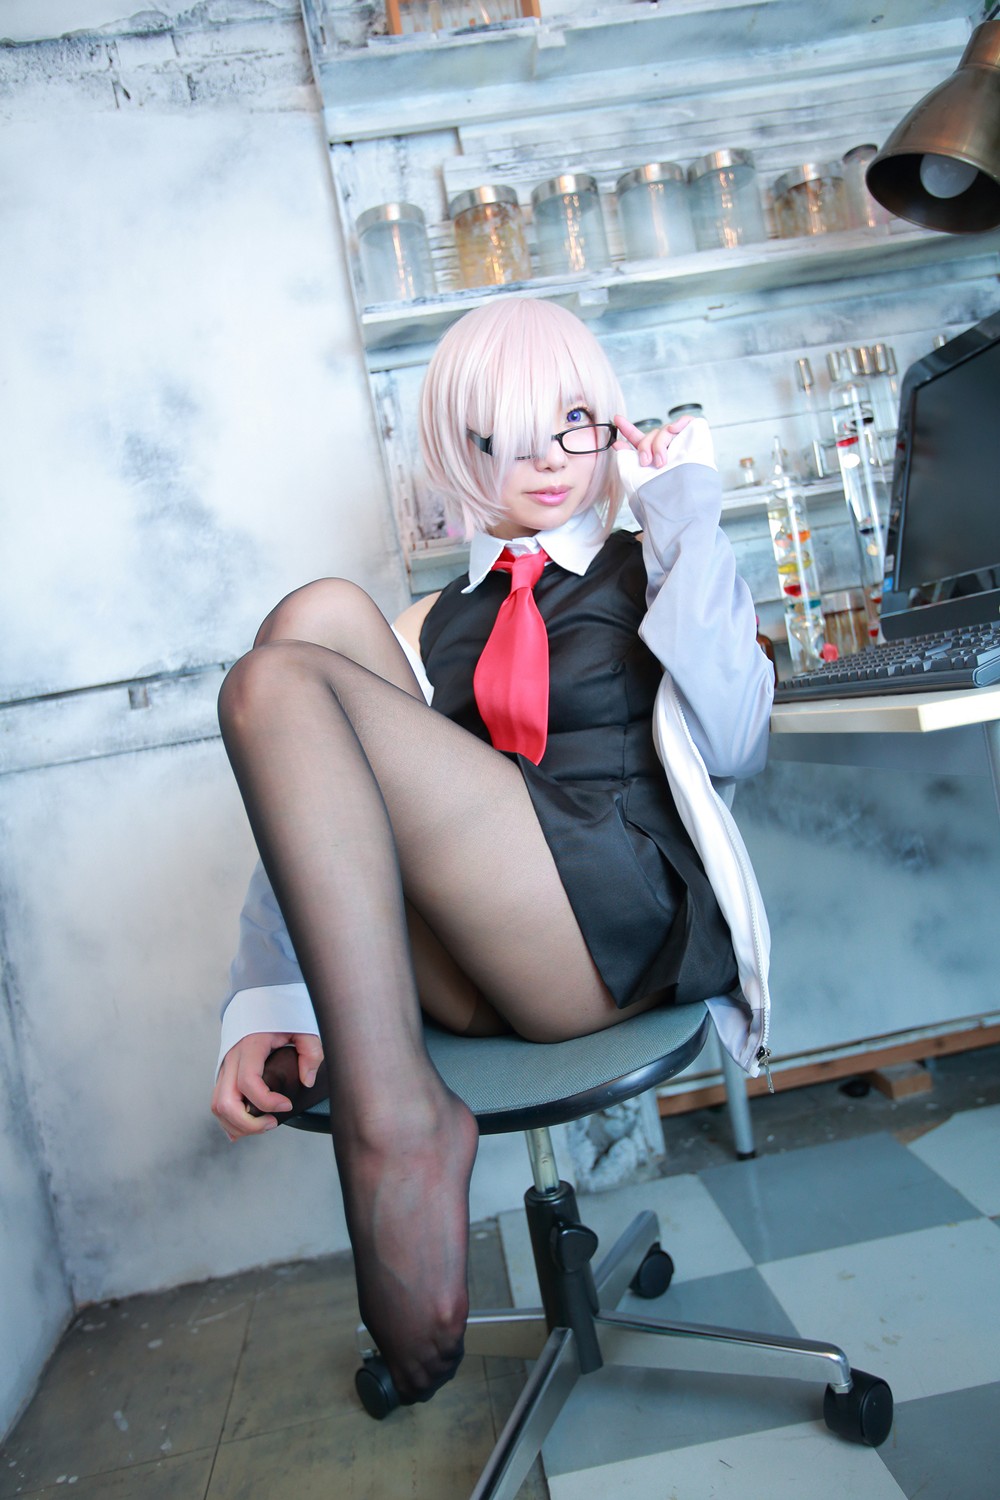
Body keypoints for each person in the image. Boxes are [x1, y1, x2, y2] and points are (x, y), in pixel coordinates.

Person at [210, 296, 773, 1408]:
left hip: (607, 927)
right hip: (473, 965)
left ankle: (394, 1130)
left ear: (609, 422)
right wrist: (268, 997)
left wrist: (680, 516)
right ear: (453, 455)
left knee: (282, 676)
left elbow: (737, 740)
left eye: (573, 422)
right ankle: (397, 1104)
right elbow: (320, 816)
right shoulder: (430, 624)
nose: (548, 460)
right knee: (314, 621)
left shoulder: (652, 563)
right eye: (502, 439)